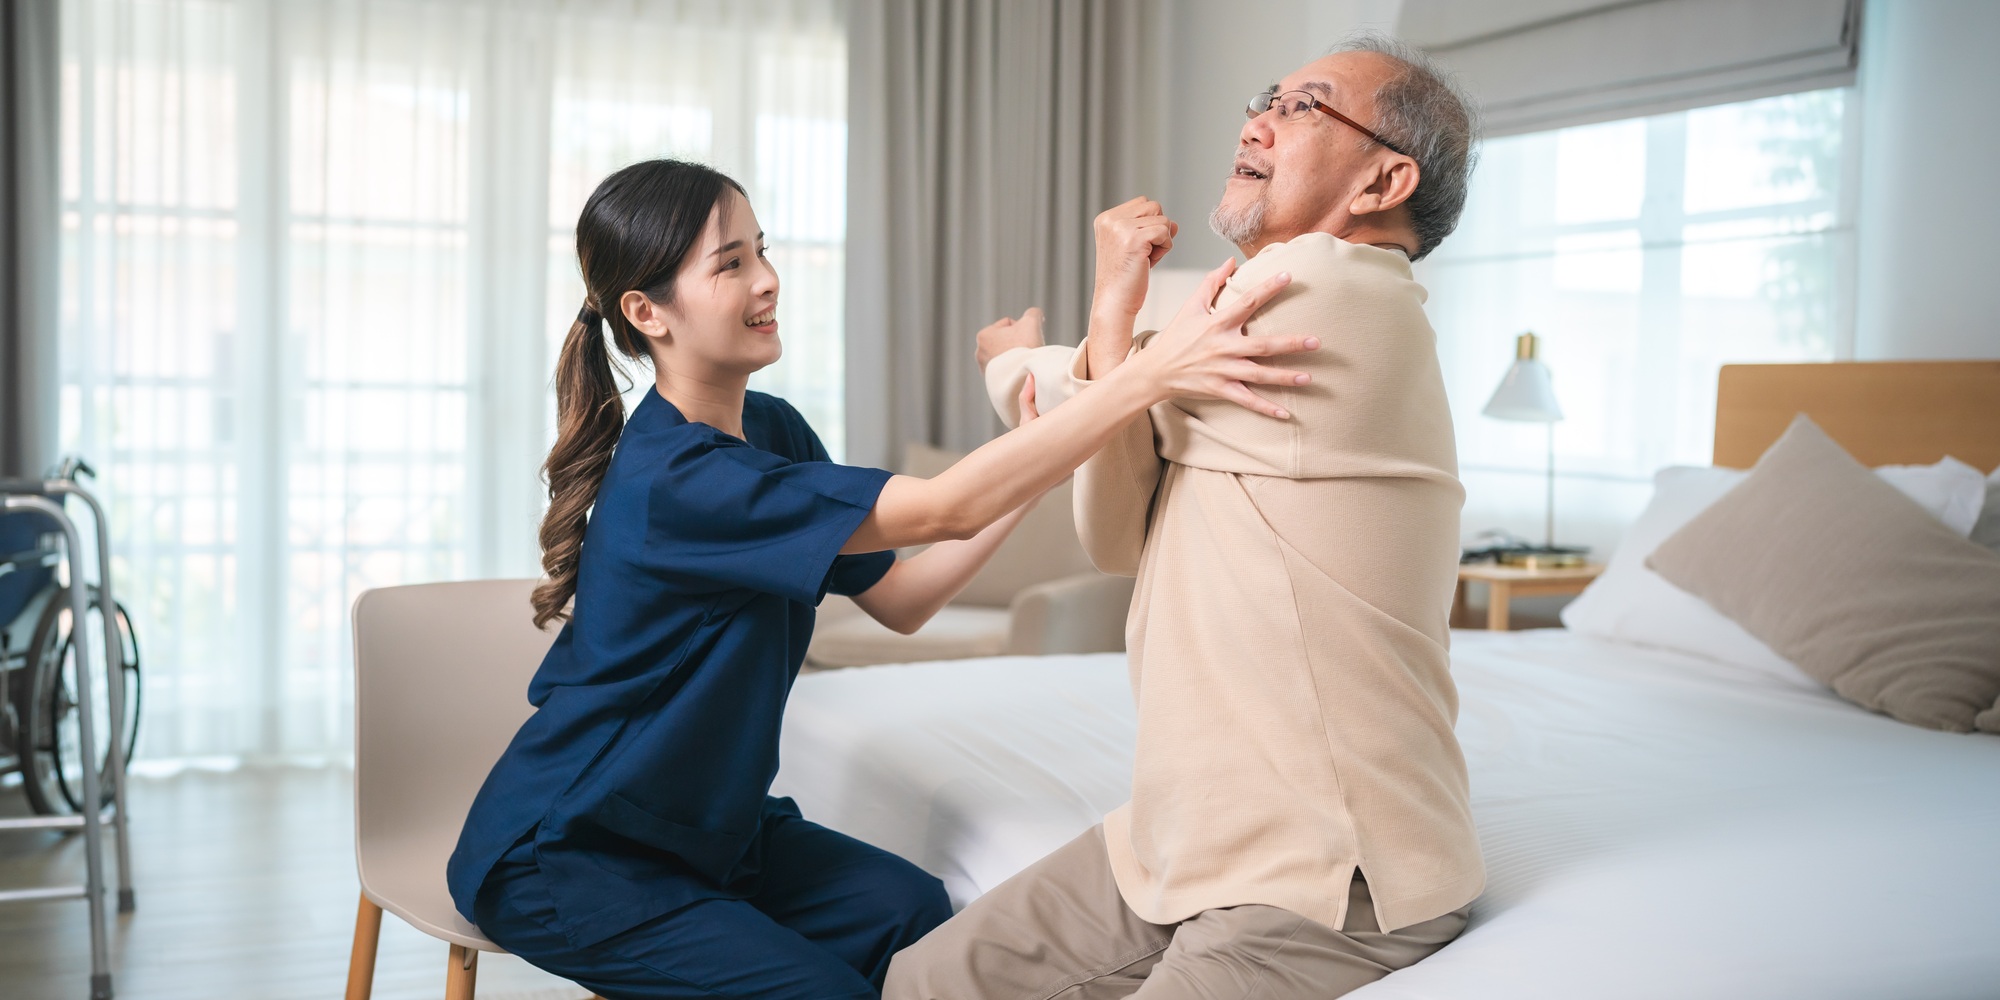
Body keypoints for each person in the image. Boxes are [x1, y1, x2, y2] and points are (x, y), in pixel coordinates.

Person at [443, 158, 1316, 1000]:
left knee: (917, 917)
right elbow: (944, 506)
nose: (768, 280)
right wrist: (1144, 379)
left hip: (711, 833)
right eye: (731, 264)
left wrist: (1039, 454)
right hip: (572, 851)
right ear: (648, 312)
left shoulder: (771, 429)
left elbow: (902, 600)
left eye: (764, 250)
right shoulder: (678, 480)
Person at [887, 34, 1484, 999]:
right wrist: (1116, 315)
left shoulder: (1328, 287)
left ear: (1384, 179)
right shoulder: (1261, 311)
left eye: (1303, 108)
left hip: (1330, 868)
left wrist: (1011, 359)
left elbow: (1059, 396)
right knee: (922, 984)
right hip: (1184, 835)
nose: (1255, 121)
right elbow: (1116, 536)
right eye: (1267, 98)